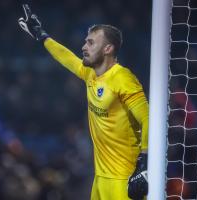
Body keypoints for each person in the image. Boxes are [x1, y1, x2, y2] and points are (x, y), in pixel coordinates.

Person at [18, 4, 149, 200]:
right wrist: (43, 36)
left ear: (107, 49)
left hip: (123, 180)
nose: (83, 47)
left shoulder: (123, 79)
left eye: (90, 43)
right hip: (100, 178)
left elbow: (147, 118)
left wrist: (145, 161)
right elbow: (68, 58)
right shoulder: (91, 74)